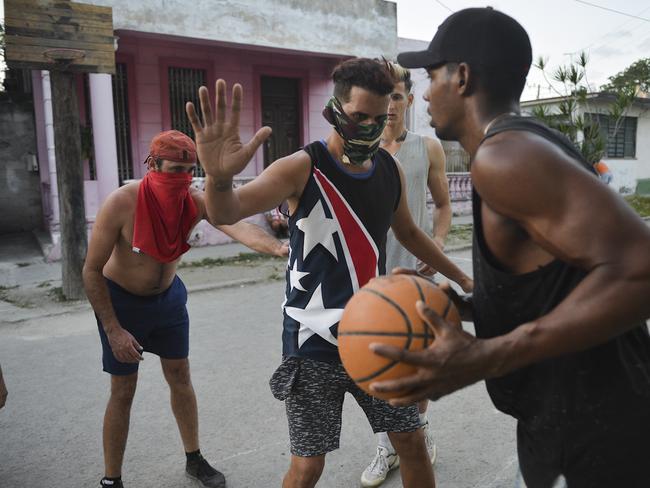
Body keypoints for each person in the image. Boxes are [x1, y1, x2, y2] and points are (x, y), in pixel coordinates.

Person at [369, 7, 650, 488]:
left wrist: (489, 355)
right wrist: (464, 305)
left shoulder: (504, 157)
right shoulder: (520, 146)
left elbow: (640, 269)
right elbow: (557, 284)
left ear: (461, 77)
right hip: (563, 423)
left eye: (432, 75)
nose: (425, 92)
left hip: (596, 435)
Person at [184, 58, 473, 488]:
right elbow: (227, 210)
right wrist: (218, 178)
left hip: (378, 332)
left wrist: (465, 280)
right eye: (360, 116)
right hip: (311, 341)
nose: (371, 127)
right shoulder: (301, 167)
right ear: (336, 109)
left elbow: (410, 231)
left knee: (410, 441)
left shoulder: (388, 169)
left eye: (380, 117)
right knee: (308, 466)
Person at [82, 130, 288, 488]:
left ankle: (194, 458)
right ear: (152, 165)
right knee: (123, 390)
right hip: (123, 303)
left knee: (180, 377)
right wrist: (113, 329)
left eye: (187, 171)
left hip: (170, 299)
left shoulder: (194, 201)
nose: (181, 179)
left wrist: (277, 249)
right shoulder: (122, 202)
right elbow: (90, 270)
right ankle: (111, 478)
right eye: (173, 170)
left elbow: (237, 226)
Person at [360, 61, 451, 487]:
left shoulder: (428, 148)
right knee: (375, 364)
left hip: (415, 273)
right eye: (385, 97)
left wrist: (439, 244)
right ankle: (386, 446)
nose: (391, 105)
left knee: (417, 364)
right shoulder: (357, 149)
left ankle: (418, 431)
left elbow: (444, 206)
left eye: (398, 96)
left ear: (408, 100)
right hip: (368, 278)